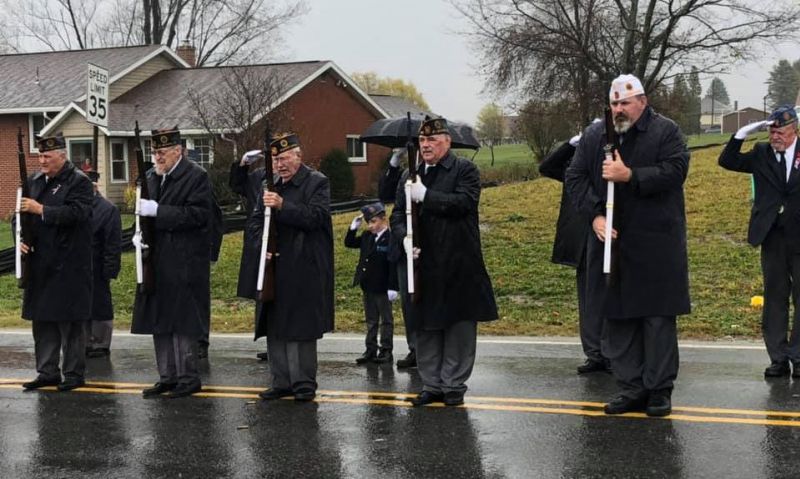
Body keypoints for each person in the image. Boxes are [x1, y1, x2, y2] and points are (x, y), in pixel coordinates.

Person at [565, 74, 690, 417]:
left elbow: (677, 170)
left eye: (625, 102)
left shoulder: (666, 131)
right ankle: (631, 386)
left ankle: (659, 389)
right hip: (612, 240)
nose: (619, 109)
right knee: (619, 319)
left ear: (643, 102)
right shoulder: (595, 135)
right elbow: (574, 177)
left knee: (656, 319)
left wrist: (631, 176)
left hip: (656, 241)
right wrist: (594, 216)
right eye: (614, 103)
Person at [390, 116, 498, 407]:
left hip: (457, 260)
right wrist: (404, 239)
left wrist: (427, 195)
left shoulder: (465, 170)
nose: (426, 145)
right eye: (423, 141)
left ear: (447, 142)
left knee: (457, 326)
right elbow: (397, 215)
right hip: (423, 263)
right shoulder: (408, 175)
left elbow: (463, 203)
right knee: (426, 326)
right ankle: (432, 384)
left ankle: (453, 385)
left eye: (433, 140)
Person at [132, 127, 214, 399]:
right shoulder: (151, 177)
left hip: (185, 260)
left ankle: (188, 377)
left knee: (183, 322)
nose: (157, 157)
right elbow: (142, 216)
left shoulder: (196, 177)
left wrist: (159, 212)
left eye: (162, 152)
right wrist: (139, 234)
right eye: (154, 152)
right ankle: (167, 376)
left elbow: (199, 215)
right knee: (161, 320)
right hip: (156, 258)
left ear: (178, 151)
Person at [718, 105, 800, 378]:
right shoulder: (761, 153)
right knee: (775, 297)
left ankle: (798, 356)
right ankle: (778, 358)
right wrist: (740, 134)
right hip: (772, 236)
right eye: (772, 131)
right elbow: (727, 161)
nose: (775, 136)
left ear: (795, 131)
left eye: (781, 132)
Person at [252, 132, 334, 402]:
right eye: (275, 159)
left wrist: (284, 205)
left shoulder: (316, 182)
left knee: (299, 327)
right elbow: (255, 221)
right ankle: (281, 380)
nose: (280, 164)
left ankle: (303, 383)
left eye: (285, 158)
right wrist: (258, 247)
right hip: (274, 264)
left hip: (304, 265)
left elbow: (317, 217)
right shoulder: (270, 184)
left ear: (299, 156)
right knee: (275, 326)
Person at [19, 133, 93, 391]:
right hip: (41, 263)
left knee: (70, 322)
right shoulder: (35, 181)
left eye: (47, 156)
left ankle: (73, 373)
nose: (42, 160)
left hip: (69, 263)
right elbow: (22, 218)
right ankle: (47, 371)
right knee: (43, 321)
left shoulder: (79, 182)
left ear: (62, 155)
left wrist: (42, 210)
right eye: (40, 155)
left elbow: (79, 213)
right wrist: (22, 239)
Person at [539, 127, 610, 374]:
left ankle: (610, 351)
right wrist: (570, 144)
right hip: (580, 238)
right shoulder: (573, 164)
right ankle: (594, 353)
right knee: (588, 300)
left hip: (603, 234)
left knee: (606, 297)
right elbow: (546, 167)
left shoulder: (607, 161)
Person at [345, 202, 398, 364]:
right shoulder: (368, 236)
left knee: (386, 321)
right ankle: (370, 349)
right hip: (368, 285)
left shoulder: (391, 238)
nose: (370, 226)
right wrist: (353, 228)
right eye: (368, 222)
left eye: (374, 222)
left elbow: (393, 264)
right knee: (371, 320)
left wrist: (393, 286)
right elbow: (349, 243)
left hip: (383, 286)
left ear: (384, 220)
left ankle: (386, 351)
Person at [230, 149, 270, 361]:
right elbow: (237, 185)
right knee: (262, 293)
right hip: (257, 240)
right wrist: (243, 164)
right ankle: (270, 341)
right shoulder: (257, 177)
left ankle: (278, 341)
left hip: (278, 241)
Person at [380, 148, 419, 368]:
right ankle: (415, 347)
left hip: (429, 248)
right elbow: (386, 196)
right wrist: (394, 163)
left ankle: (431, 350)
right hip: (404, 246)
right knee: (408, 301)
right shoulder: (405, 175)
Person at [85, 171, 122, 359]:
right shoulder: (75, 206)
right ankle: (83, 341)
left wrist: (109, 269)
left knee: (99, 306)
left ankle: (99, 342)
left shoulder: (107, 209)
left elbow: (113, 243)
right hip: (77, 266)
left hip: (98, 265)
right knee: (80, 305)